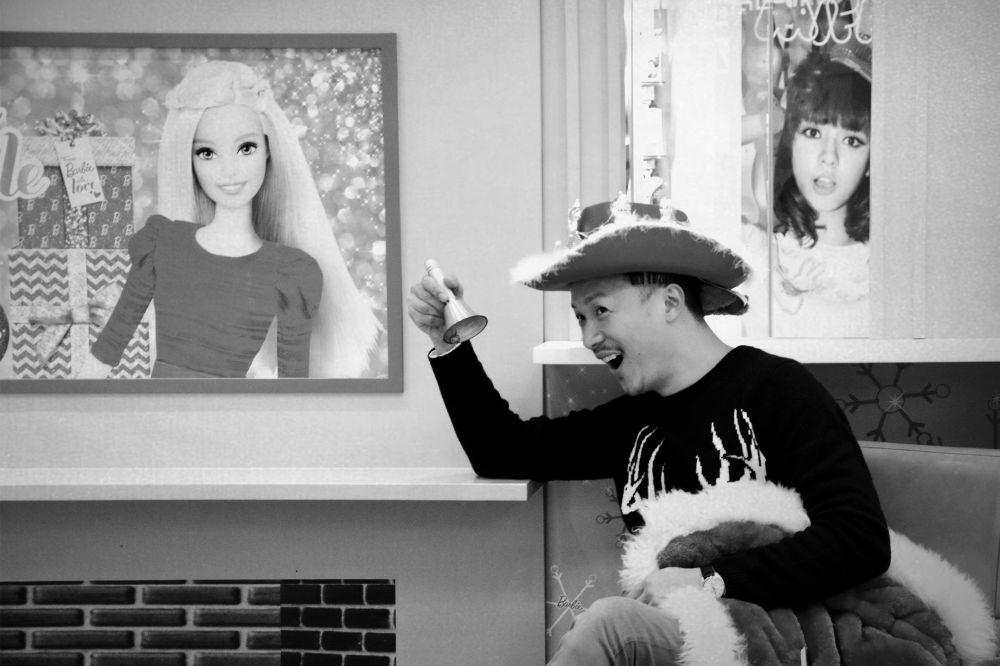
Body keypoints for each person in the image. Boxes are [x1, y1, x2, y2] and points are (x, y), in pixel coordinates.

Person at [407, 196, 889, 664]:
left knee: (609, 623)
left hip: (775, 638)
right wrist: (447, 341)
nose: (589, 337)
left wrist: (708, 579)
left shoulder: (778, 389)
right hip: (680, 639)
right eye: (580, 318)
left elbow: (859, 540)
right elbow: (500, 450)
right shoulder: (629, 421)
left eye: (600, 311)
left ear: (670, 302)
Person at [78, 61, 379, 379]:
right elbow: (109, 346)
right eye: (206, 153)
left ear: (268, 149)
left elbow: (292, 388)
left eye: (246, 148)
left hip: (233, 409)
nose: (229, 170)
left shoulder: (289, 271)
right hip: (161, 405)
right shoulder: (162, 244)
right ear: (188, 159)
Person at [757, 46, 872, 338]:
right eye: (813, 133)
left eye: (851, 140)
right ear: (790, 142)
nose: (828, 157)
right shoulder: (763, 254)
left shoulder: (885, 267)